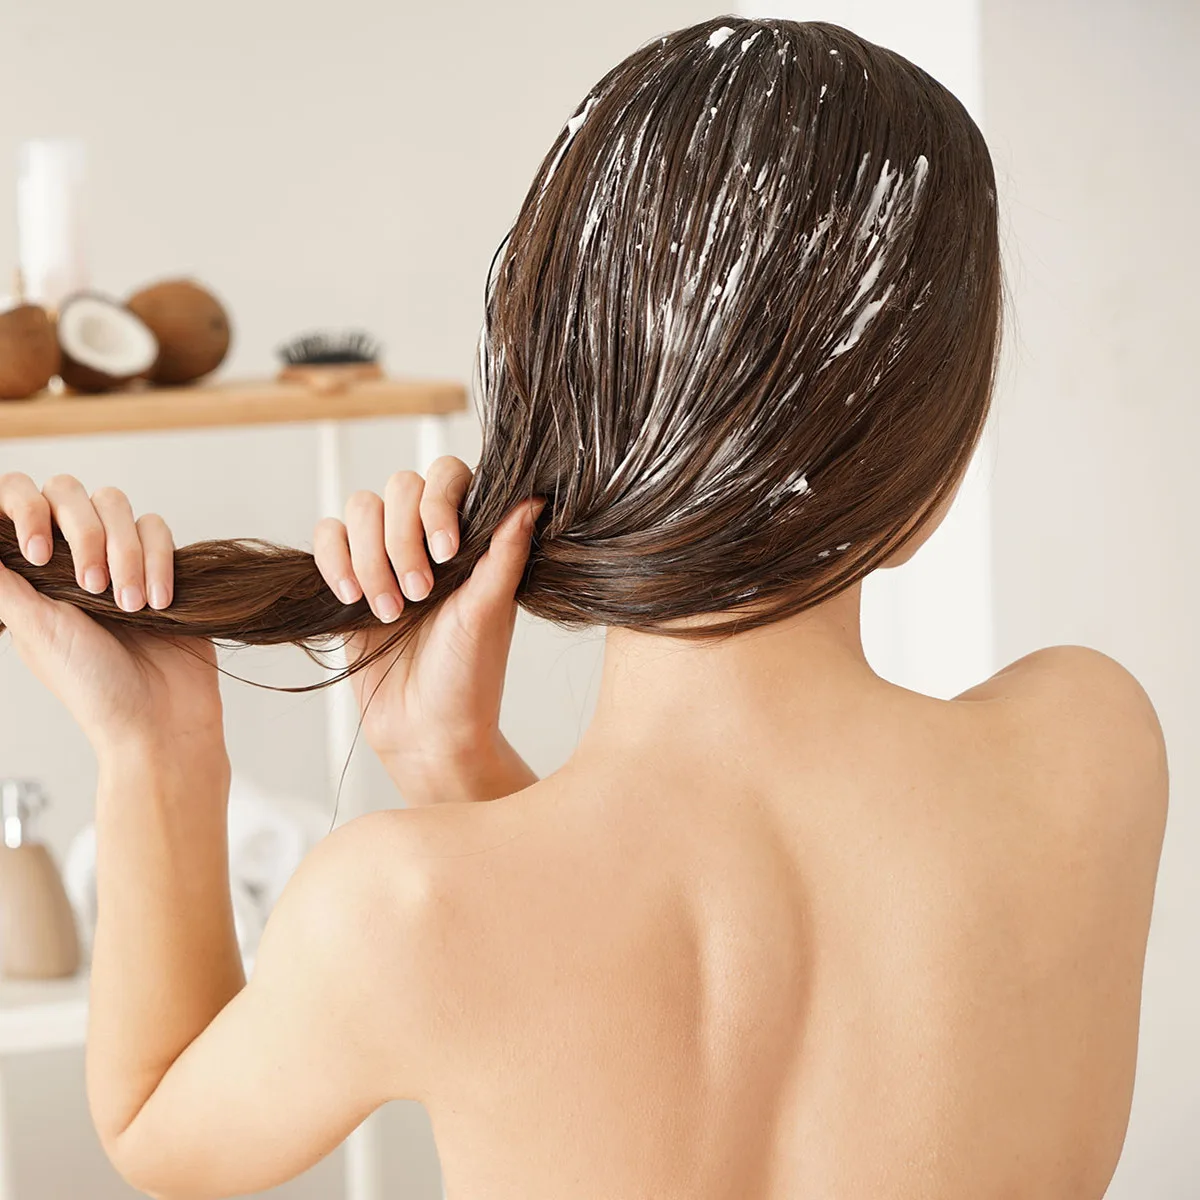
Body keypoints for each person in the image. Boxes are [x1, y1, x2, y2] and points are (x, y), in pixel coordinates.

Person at [0, 15, 1167, 1200]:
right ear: (930, 476)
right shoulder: (1087, 755)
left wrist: (159, 749)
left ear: (554, 404)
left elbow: (160, 1133)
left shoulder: (407, 908)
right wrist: (453, 756)